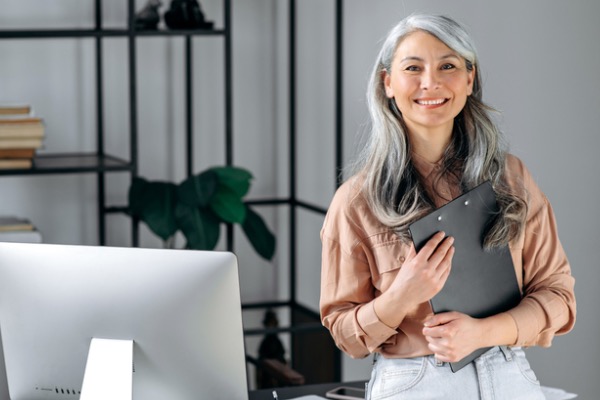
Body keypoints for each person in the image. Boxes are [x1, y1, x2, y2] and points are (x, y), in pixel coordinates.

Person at [319, 13, 576, 399]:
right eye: (412, 68)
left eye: (448, 66)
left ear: (469, 79)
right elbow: (345, 334)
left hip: (509, 374)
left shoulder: (511, 178)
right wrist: (402, 295)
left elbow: (559, 298)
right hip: (413, 381)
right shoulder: (355, 202)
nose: (430, 83)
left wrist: (483, 333)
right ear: (387, 83)